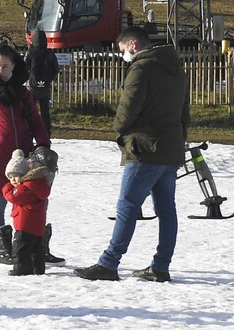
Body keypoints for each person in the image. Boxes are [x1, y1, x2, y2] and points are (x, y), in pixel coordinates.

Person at [74, 26, 190, 283]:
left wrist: (119, 130)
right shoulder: (176, 68)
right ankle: (160, 266)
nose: (123, 55)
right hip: (170, 149)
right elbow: (185, 112)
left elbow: (127, 107)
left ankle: (108, 263)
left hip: (144, 148)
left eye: (123, 50)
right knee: (166, 209)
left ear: (134, 45)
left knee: (127, 205)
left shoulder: (141, 68)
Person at [0, 43, 51, 265]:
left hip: (24, 158)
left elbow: (35, 120)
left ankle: (35, 246)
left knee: (35, 200)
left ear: (14, 65)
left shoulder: (23, 93)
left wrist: (43, 144)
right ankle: (5, 250)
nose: (1, 72)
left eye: (5, 67)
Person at [3, 147, 56, 276]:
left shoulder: (25, 187)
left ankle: (22, 268)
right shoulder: (38, 184)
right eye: (10, 178)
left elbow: (12, 197)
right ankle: (38, 268)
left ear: (25, 174)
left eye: (16, 176)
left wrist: (7, 187)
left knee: (21, 248)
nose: (13, 180)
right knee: (37, 248)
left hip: (24, 225)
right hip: (37, 226)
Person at [26, 28, 60, 133]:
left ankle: (30, 131)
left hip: (32, 86)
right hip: (45, 87)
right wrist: (49, 79)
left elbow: (25, 66)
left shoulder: (31, 52)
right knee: (45, 111)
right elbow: (56, 69)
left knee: (31, 110)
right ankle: (46, 131)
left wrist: (29, 78)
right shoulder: (49, 53)